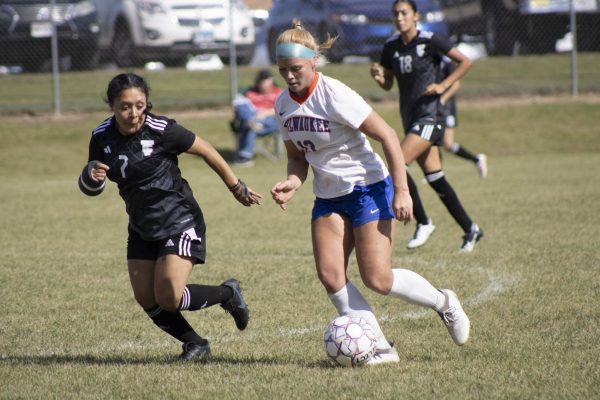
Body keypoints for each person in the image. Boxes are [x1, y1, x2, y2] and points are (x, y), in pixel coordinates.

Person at [270, 22, 471, 365]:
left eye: (296, 69)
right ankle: (380, 348)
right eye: (283, 70)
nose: (289, 76)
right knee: (331, 275)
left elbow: (390, 136)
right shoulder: (283, 105)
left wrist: (402, 191)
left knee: (377, 278)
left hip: (368, 188)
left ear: (314, 61)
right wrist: (293, 181)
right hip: (328, 198)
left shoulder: (335, 94)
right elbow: (296, 157)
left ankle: (444, 303)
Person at [78, 73, 262, 361]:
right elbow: (93, 183)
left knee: (169, 297)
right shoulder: (101, 137)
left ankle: (227, 293)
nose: (134, 113)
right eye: (125, 106)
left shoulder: (162, 129)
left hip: (179, 220)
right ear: (112, 106)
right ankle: (195, 344)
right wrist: (90, 175)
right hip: (141, 225)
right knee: (145, 297)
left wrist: (235, 186)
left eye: (140, 105)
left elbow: (207, 151)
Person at [370, 0, 484, 251]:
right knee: (435, 178)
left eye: (404, 13)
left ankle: (423, 221)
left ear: (415, 16)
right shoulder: (391, 47)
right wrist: (379, 78)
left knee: (396, 163)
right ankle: (471, 229)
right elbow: (388, 84)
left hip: (431, 117)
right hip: (410, 118)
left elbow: (465, 62)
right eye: (396, 14)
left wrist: (444, 85)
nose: (400, 18)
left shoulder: (430, 40)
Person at [439, 56, 488, 178]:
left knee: (448, 144)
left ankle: (477, 159)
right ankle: (434, 172)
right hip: (433, 107)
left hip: (447, 107)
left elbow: (456, 85)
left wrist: (443, 99)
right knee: (432, 141)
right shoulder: (428, 58)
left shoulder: (447, 61)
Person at [232, 69, 284, 166]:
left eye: (266, 81)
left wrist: (265, 113)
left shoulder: (279, 92)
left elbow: (284, 109)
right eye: (261, 81)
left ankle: (245, 156)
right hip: (251, 119)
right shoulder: (249, 92)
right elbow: (237, 108)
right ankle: (252, 122)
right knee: (242, 107)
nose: (263, 84)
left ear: (271, 81)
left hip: (270, 121)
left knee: (252, 124)